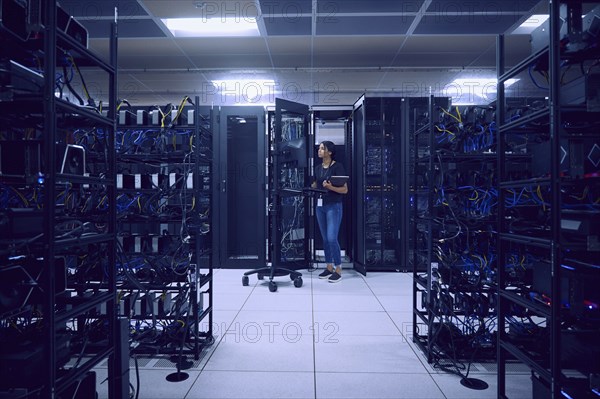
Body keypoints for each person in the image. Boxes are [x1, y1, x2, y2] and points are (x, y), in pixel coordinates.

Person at [312, 141, 348, 283]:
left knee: (332, 238)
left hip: (334, 206)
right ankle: (329, 267)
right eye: (319, 148)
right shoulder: (317, 168)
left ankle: (338, 268)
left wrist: (330, 187)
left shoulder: (338, 167)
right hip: (320, 206)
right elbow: (317, 183)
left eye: (322, 148)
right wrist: (314, 185)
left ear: (330, 152)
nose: (319, 150)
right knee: (325, 239)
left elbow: (345, 190)